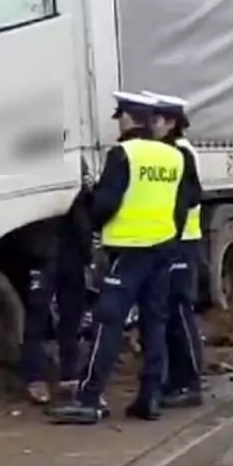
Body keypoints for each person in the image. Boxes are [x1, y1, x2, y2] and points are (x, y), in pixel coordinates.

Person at [47, 91, 201, 424]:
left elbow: (105, 204)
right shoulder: (173, 155)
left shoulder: (124, 153)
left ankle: (89, 399)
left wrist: (92, 215)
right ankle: (150, 397)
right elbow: (182, 204)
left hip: (129, 250)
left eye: (120, 117)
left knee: (108, 320)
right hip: (163, 248)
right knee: (154, 322)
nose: (118, 123)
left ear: (130, 119)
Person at [142, 91, 206, 408]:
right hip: (176, 240)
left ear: (170, 122)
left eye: (155, 120)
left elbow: (191, 196)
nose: (150, 125)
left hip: (182, 242)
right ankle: (177, 379)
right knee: (170, 313)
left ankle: (189, 382)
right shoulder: (173, 150)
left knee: (179, 313)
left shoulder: (180, 151)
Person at [19, 181, 93, 404]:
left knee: (72, 316)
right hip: (42, 252)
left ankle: (68, 375)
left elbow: (87, 210)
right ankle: (36, 377)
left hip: (72, 252)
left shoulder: (73, 171)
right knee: (37, 315)